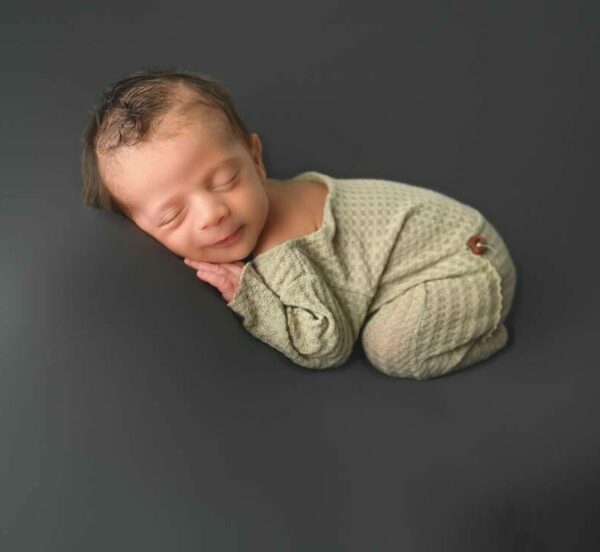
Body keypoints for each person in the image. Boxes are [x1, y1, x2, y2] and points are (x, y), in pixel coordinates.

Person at [81, 67, 518, 380]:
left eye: (225, 179)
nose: (213, 213)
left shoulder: (283, 249)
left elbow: (326, 346)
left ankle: (489, 332)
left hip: (463, 264)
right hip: (451, 234)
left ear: (255, 158)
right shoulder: (263, 205)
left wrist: (250, 297)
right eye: (174, 215)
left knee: (391, 349)